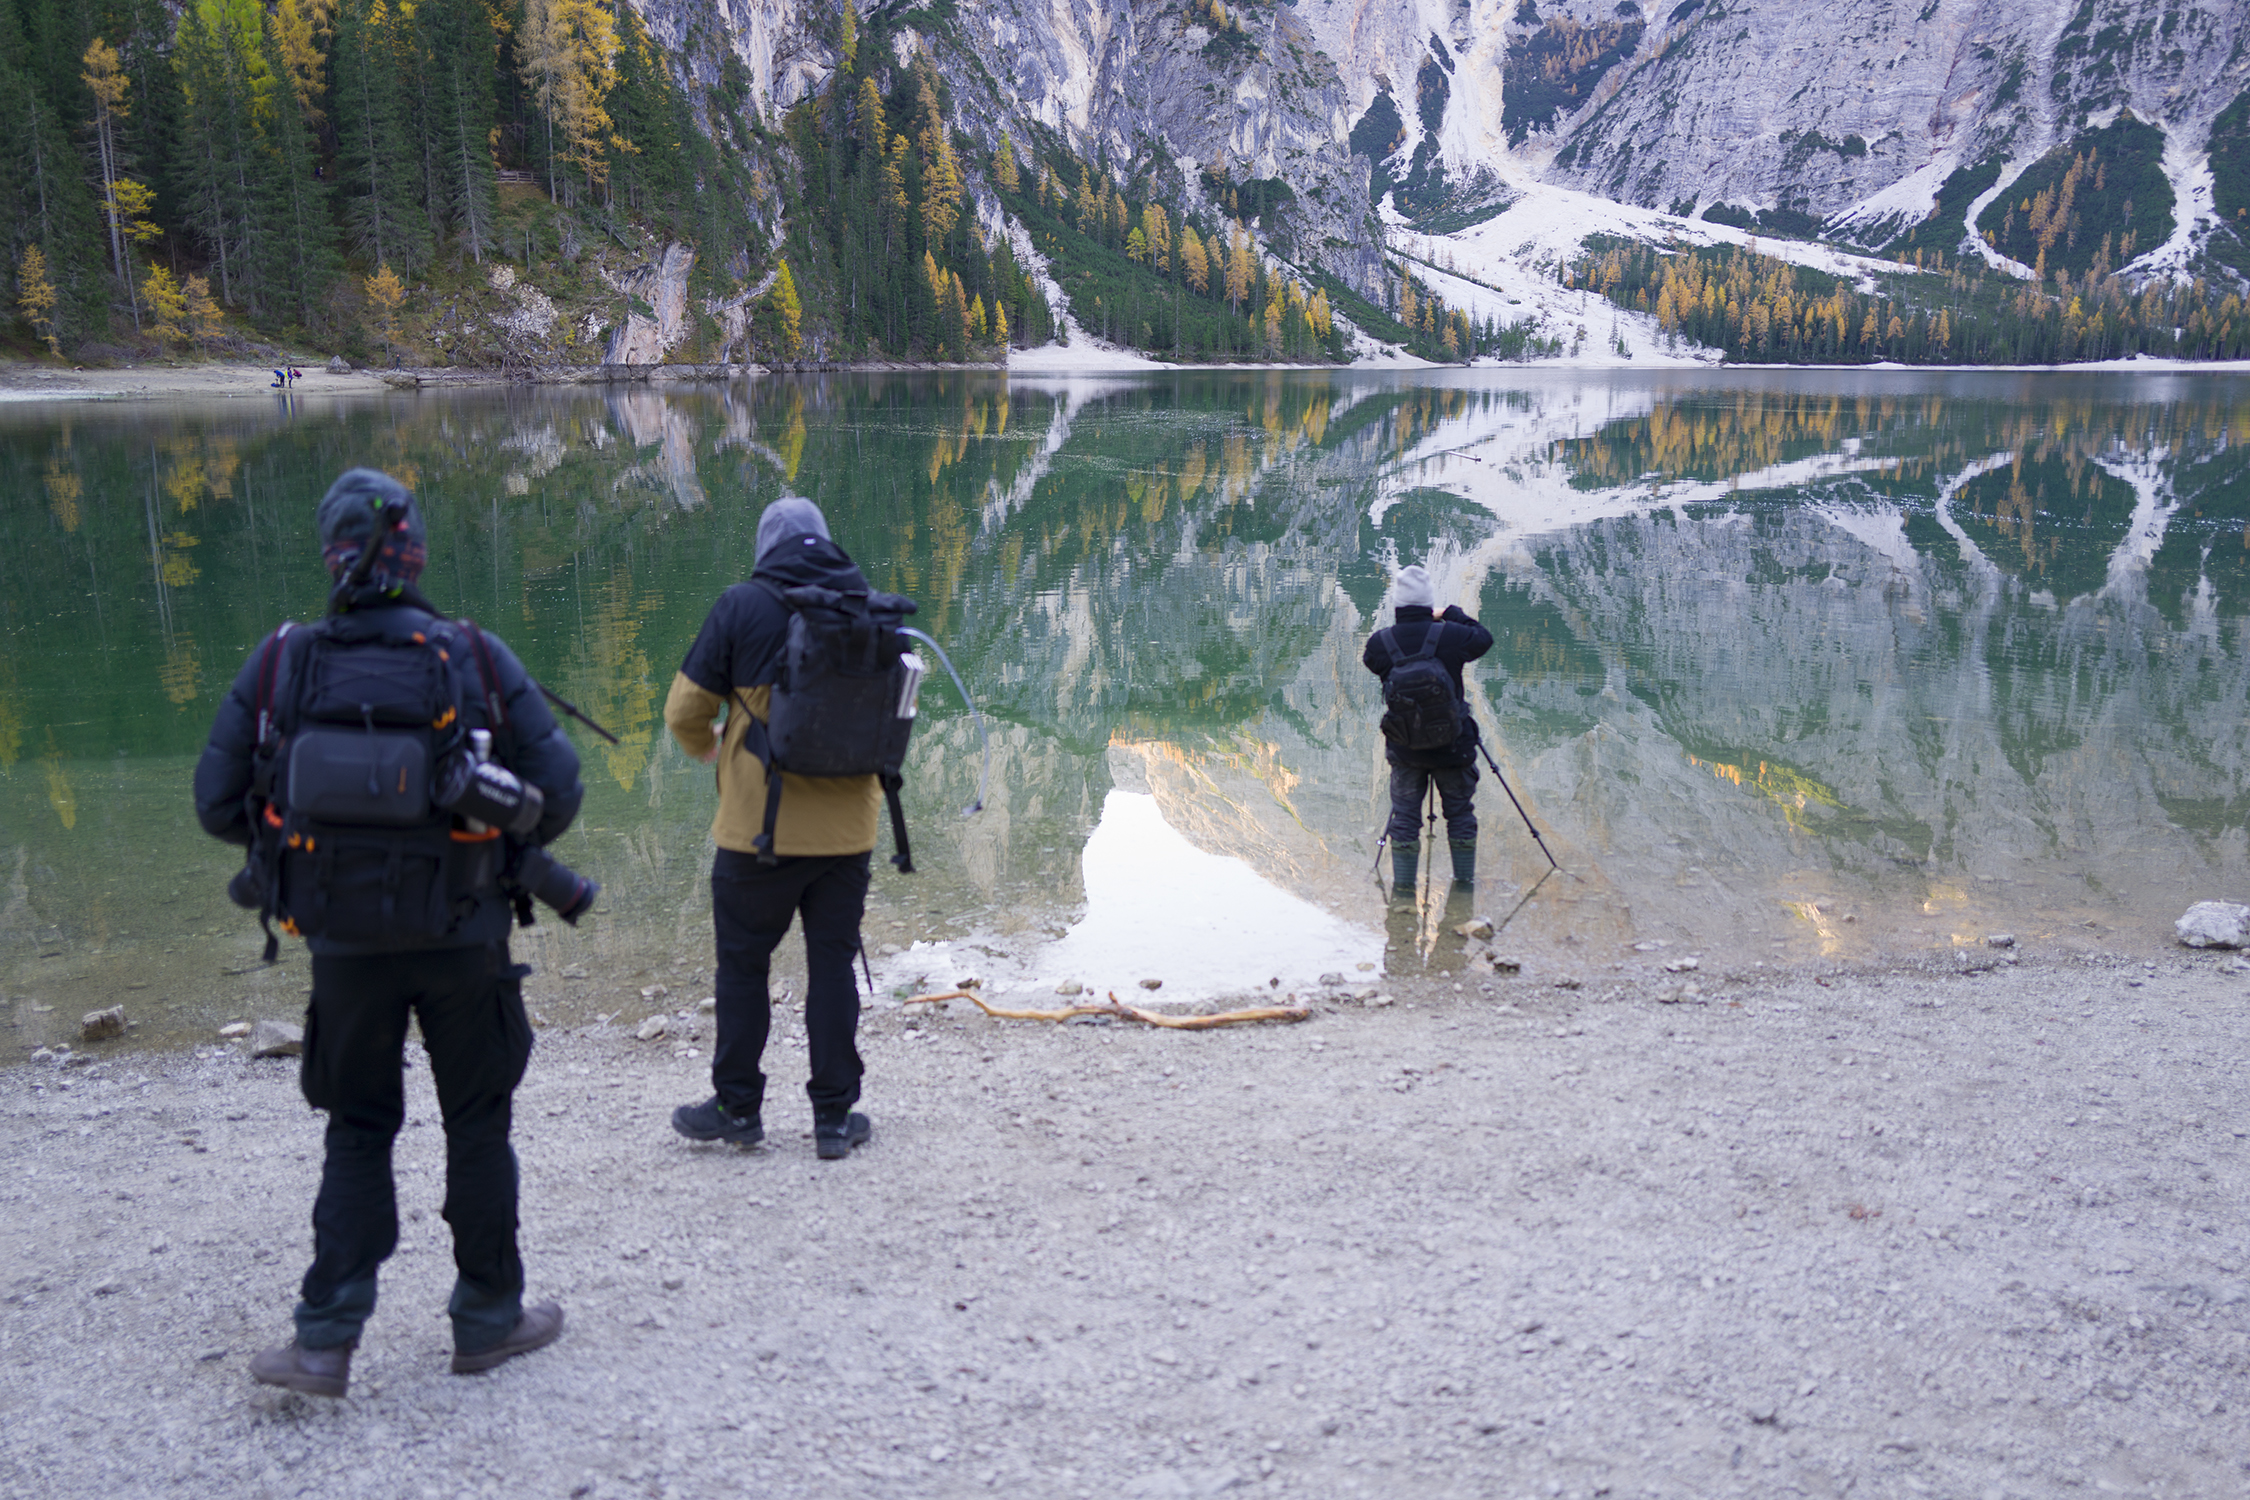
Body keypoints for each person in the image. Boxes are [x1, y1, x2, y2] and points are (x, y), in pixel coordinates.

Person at [193, 468, 585, 1398]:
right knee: (478, 1125)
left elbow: (216, 805)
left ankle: (325, 1340)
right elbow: (559, 795)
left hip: (344, 951)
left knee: (359, 1130)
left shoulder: (284, 661)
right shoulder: (473, 657)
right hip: (466, 939)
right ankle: (489, 1317)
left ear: (331, 556)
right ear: (413, 555)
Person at [663, 495, 879, 1161]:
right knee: (832, 969)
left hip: (757, 831)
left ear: (765, 549)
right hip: (847, 833)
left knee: (743, 966)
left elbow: (684, 711)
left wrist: (711, 747)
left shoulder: (740, 606)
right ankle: (835, 1119)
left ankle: (737, 1108)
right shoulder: (864, 606)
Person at [1362, 563, 1495, 890]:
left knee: (1405, 820)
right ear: (1427, 603)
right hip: (1453, 745)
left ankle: (1404, 893)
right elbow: (1484, 638)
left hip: (1406, 750)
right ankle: (1463, 888)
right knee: (1460, 815)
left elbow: (1372, 664)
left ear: (1398, 604)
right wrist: (1450, 613)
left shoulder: (1382, 643)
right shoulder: (1451, 635)